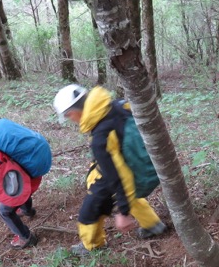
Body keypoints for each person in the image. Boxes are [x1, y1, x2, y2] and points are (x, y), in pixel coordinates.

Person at [53, 84, 166, 256]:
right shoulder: (117, 105)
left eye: (68, 115)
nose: (70, 119)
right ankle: (153, 225)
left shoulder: (101, 137)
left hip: (126, 170)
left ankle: (92, 245)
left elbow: (118, 177)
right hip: (146, 163)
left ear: (74, 111)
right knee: (129, 195)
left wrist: (123, 212)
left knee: (90, 209)